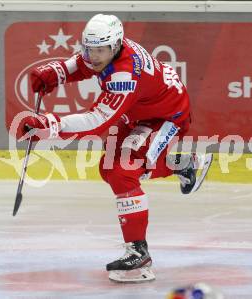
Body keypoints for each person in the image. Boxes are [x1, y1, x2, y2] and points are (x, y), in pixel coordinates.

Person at [18, 14, 212, 283]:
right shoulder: (107, 48)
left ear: (115, 45)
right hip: (137, 110)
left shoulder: (125, 75)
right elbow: (84, 64)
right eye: (90, 48)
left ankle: (139, 253)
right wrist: (57, 72)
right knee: (110, 167)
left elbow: (97, 121)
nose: (94, 56)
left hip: (165, 116)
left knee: (124, 170)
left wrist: (49, 124)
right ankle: (184, 165)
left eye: (100, 50)